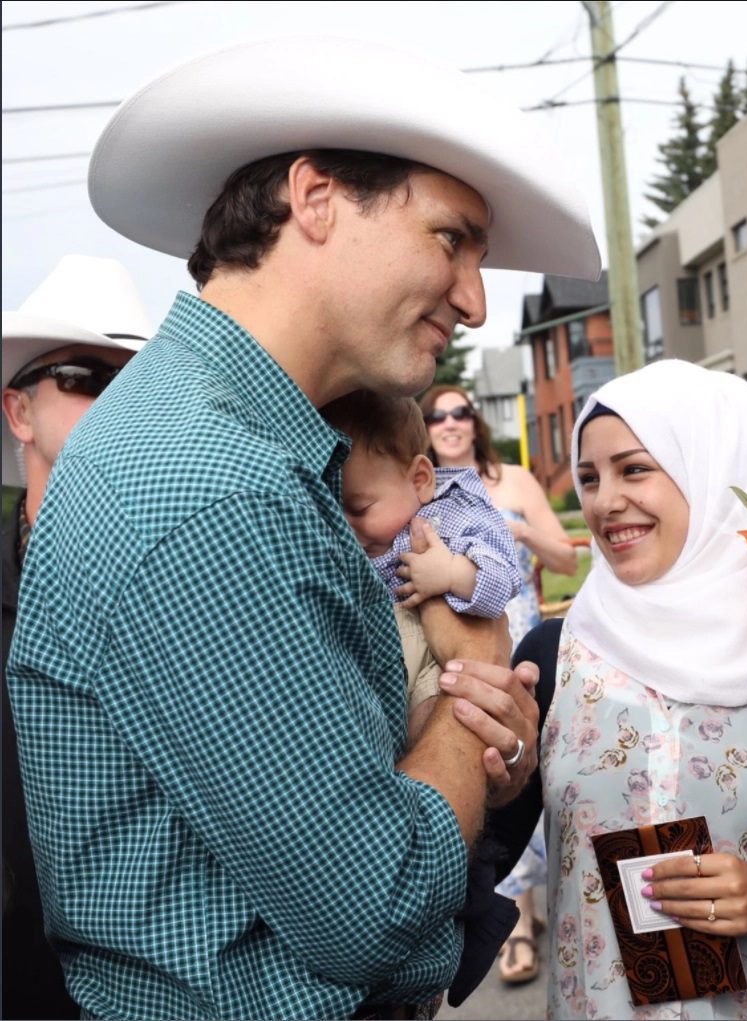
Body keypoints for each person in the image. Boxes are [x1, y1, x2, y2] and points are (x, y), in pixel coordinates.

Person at [7, 38, 599, 1020]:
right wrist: (467, 692)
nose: (473, 298)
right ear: (314, 199)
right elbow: (381, 903)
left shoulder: (230, 450)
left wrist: (469, 744)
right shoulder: (208, 484)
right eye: (449, 239)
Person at [463, 359, 747, 1019]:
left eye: (634, 468)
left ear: (713, 464)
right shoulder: (555, 656)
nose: (604, 500)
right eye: (588, 477)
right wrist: (490, 787)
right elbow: (482, 861)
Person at [1, 255, 151, 1020]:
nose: (121, 398)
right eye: (88, 375)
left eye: (138, 377)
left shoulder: (186, 573)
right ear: (20, 414)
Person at [419, 384, 576, 984]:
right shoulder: (419, 492)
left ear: (475, 422)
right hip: (450, 642)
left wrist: (517, 533)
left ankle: (527, 912)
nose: (450, 421)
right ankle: (511, 918)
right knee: (481, 764)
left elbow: (566, 559)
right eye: (437, 413)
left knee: (525, 767)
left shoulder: (509, 478)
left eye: (461, 411)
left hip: (520, 631)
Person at [321, 389, 521, 735]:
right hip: (378, 663)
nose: (346, 528)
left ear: (420, 481)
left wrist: (450, 573)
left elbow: (503, 580)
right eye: (334, 512)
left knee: (432, 720)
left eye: (358, 509)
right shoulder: (353, 542)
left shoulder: (450, 516)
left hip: (434, 656)